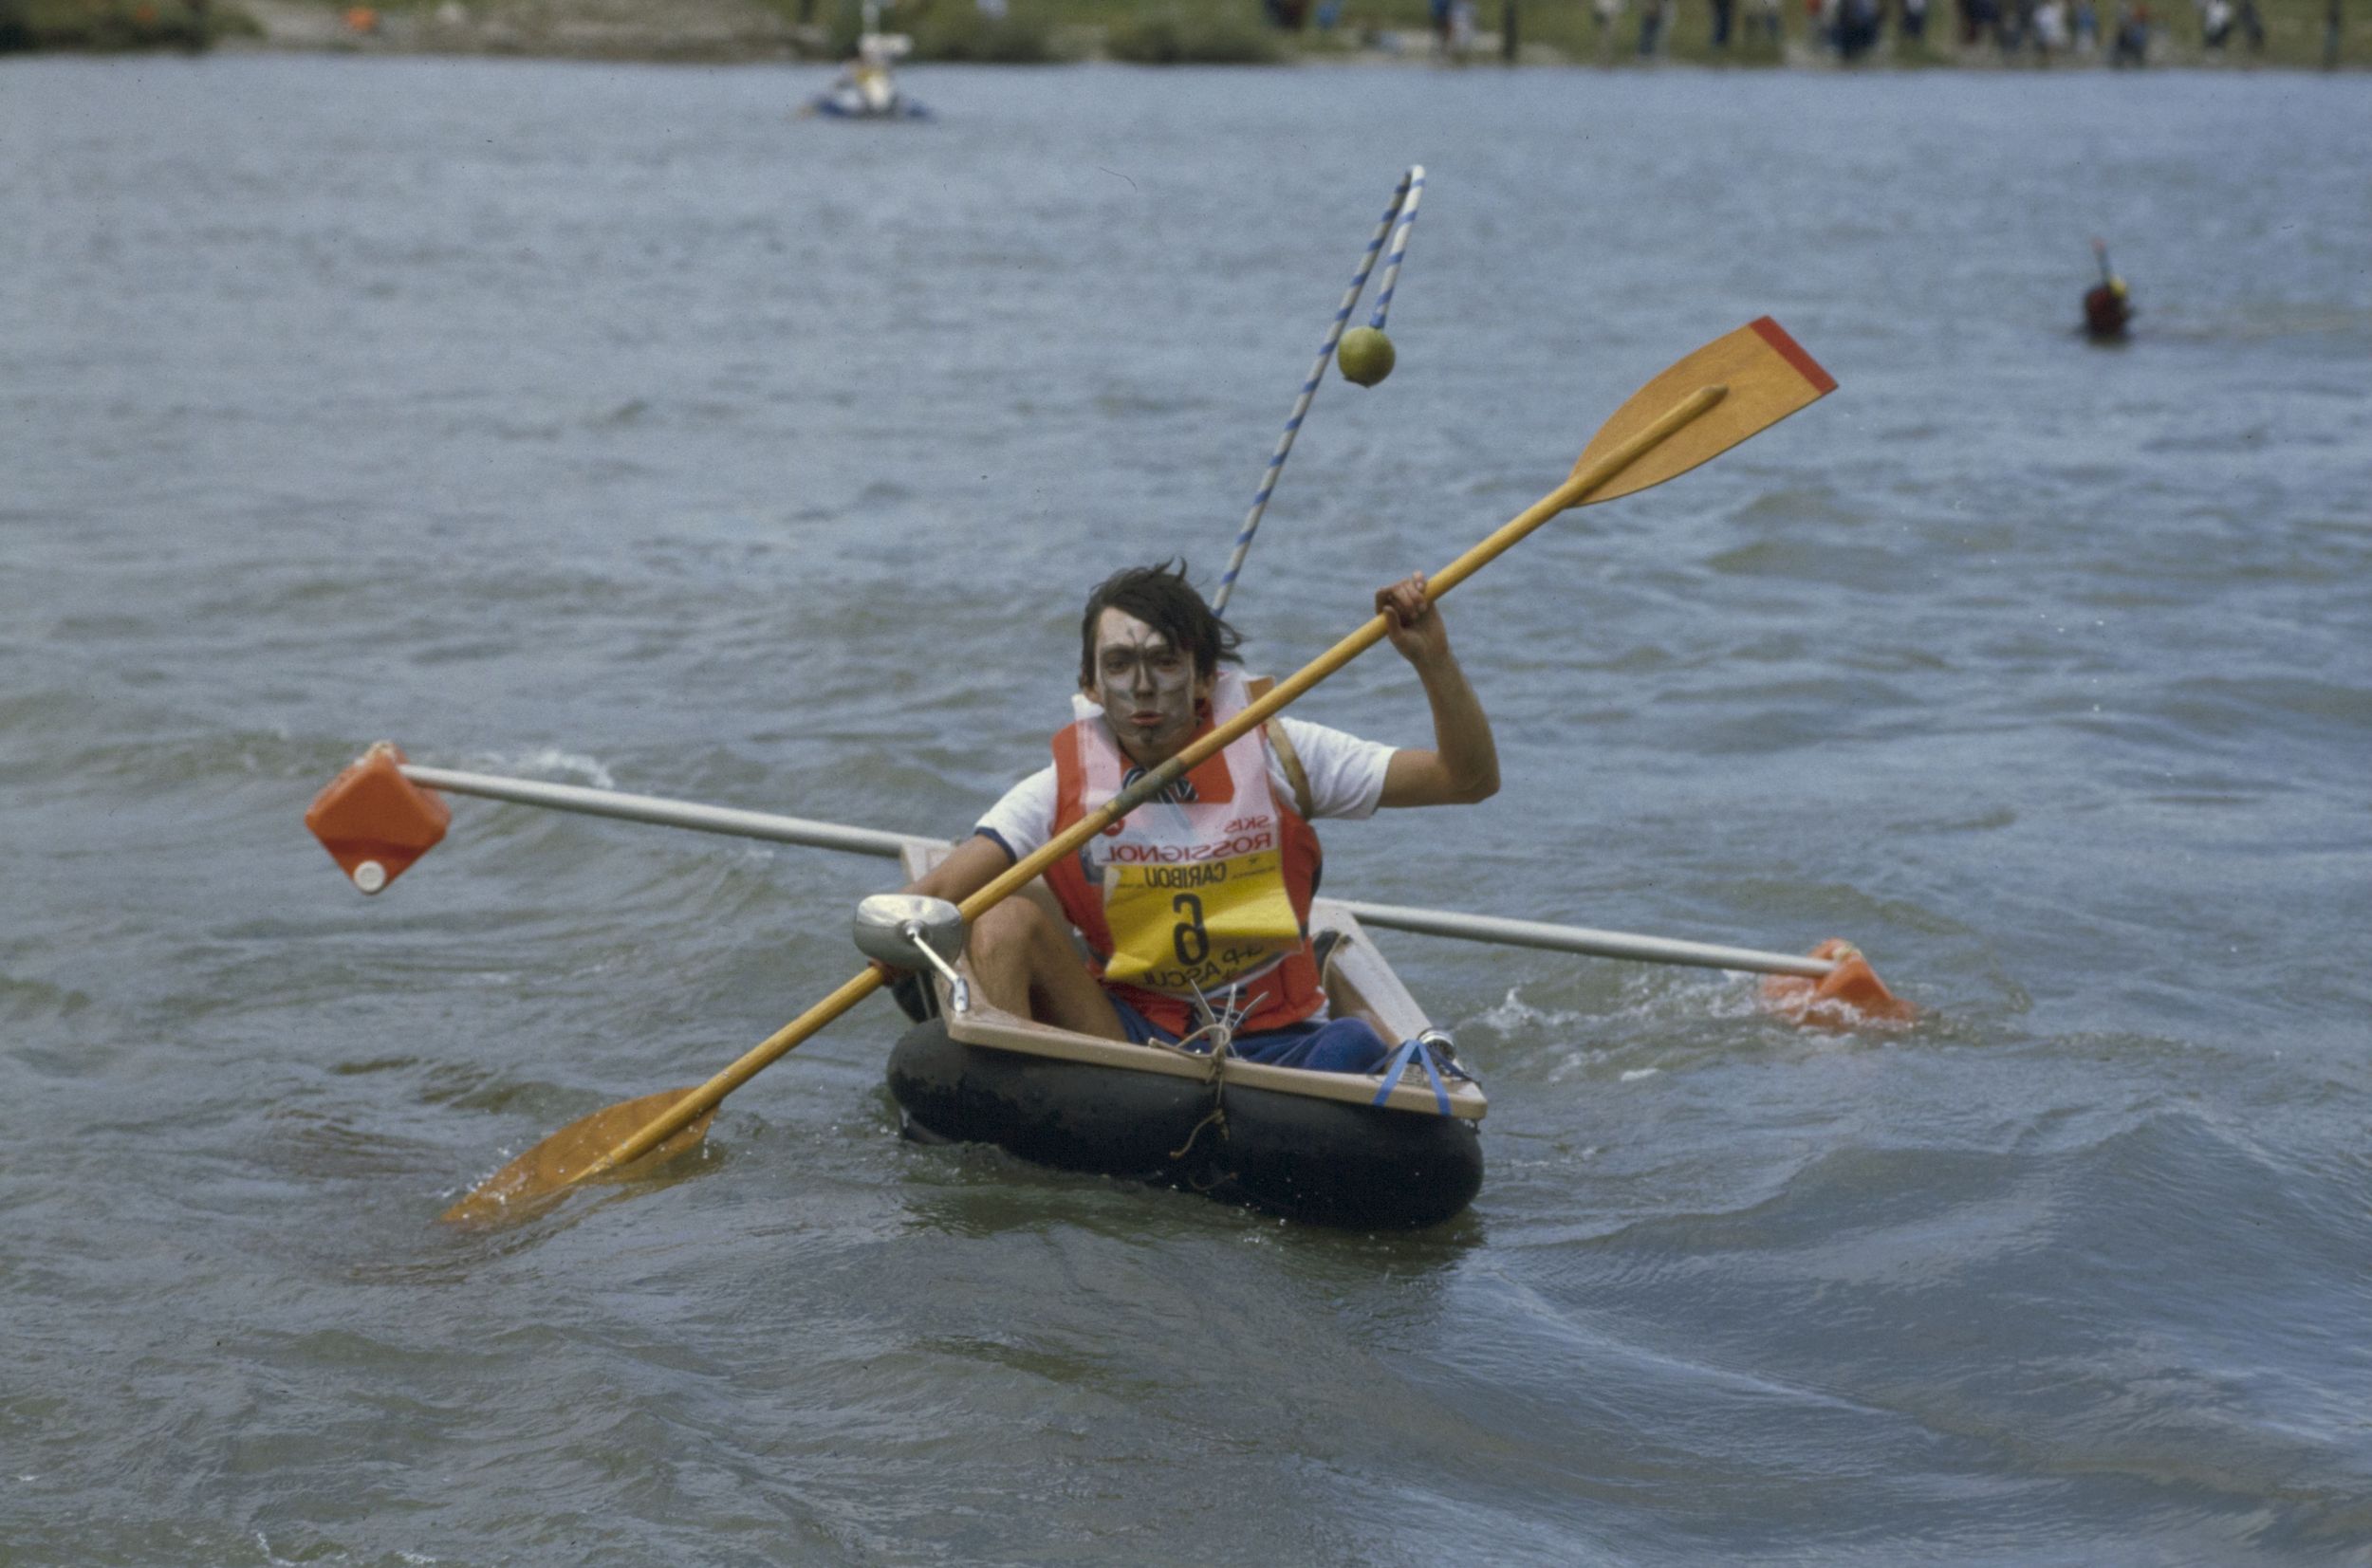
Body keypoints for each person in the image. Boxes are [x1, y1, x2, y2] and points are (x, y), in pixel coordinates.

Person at [885, 562, 1499, 1076]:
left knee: (1359, 1043)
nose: (1144, 686)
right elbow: (935, 893)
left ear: (1206, 679)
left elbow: (1466, 779)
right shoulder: (1053, 793)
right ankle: (1012, 1101)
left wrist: (1433, 658)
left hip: (1282, 1037)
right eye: (1121, 664)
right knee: (999, 911)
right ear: (1090, 686)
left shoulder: (1282, 753)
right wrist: (887, 942)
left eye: (1166, 662)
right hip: (1132, 1034)